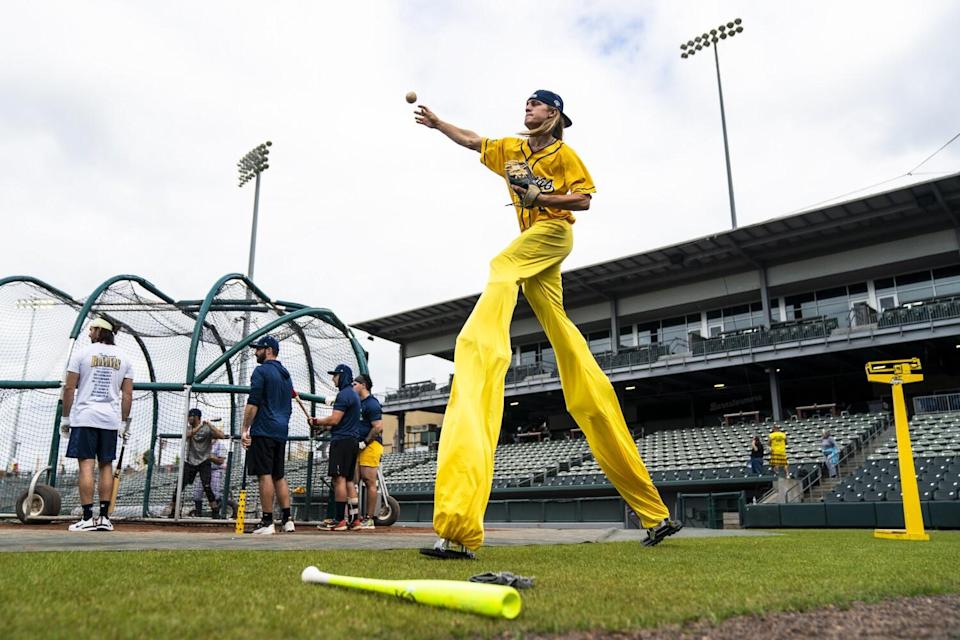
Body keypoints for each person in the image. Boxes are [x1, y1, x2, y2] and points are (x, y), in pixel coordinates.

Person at [414, 91, 680, 557]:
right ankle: (656, 514)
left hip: (553, 234)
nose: (527, 110)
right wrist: (439, 125)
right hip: (536, 251)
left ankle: (482, 350)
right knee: (567, 343)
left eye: (535, 106)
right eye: (526, 105)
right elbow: (475, 141)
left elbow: (584, 199)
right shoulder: (513, 150)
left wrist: (542, 195)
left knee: (501, 267)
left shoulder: (564, 152)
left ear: (553, 114)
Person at [61, 317, 133, 532]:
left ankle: (86, 517)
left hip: (85, 417)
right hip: (110, 420)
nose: (89, 333)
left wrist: (65, 418)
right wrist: (123, 422)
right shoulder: (124, 358)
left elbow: (69, 388)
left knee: (85, 465)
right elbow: (127, 394)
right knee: (106, 466)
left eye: (91, 329)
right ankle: (103, 517)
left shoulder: (82, 354)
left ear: (100, 330)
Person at [240, 335, 295, 535]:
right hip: (281, 431)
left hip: (264, 429)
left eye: (259, 349)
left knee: (265, 475)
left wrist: (245, 429)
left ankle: (267, 521)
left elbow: (253, 402)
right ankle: (288, 520)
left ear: (269, 350)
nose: (256, 352)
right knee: (278, 475)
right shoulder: (286, 375)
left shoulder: (261, 371)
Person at [309, 363, 361, 531]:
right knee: (348, 480)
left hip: (342, 442)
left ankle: (339, 520)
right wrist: (323, 426)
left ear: (342, 376)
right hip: (352, 441)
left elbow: (335, 420)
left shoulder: (344, 395)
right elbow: (339, 422)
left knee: (338, 479)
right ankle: (354, 520)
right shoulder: (353, 395)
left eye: (335, 375)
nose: (333, 378)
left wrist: (317, 421)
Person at [169, 408, 224, 518]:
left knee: (207, 486)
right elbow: (187, 435)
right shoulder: (188, 428)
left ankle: (215, 511)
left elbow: (221, 435)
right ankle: (173, 511)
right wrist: (199, 427)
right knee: (179, 486)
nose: (189, 419)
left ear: (197, 417)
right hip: (190, 461)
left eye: (191, 417)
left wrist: (209, 425)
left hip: (204, 461)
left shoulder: (206, 428)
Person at [353, 373, 384, 530]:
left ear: (363, 385)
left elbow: (378, 427)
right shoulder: (358, 402)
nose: (353, 387)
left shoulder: (372, 403)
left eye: (355, 384)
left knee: (368, 480)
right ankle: (355, 517)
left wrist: (365, 442)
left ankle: (369, 518)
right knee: (354, 480)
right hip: (358, 444)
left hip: (370, 445)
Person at [192, 430, 228, 517]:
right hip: (203, 471)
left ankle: (216, 513)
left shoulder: (220, 445)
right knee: (197, 493)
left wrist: (209, 456)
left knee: (215, 493)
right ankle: (198, 513)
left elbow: (220, 461)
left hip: (215, 470)